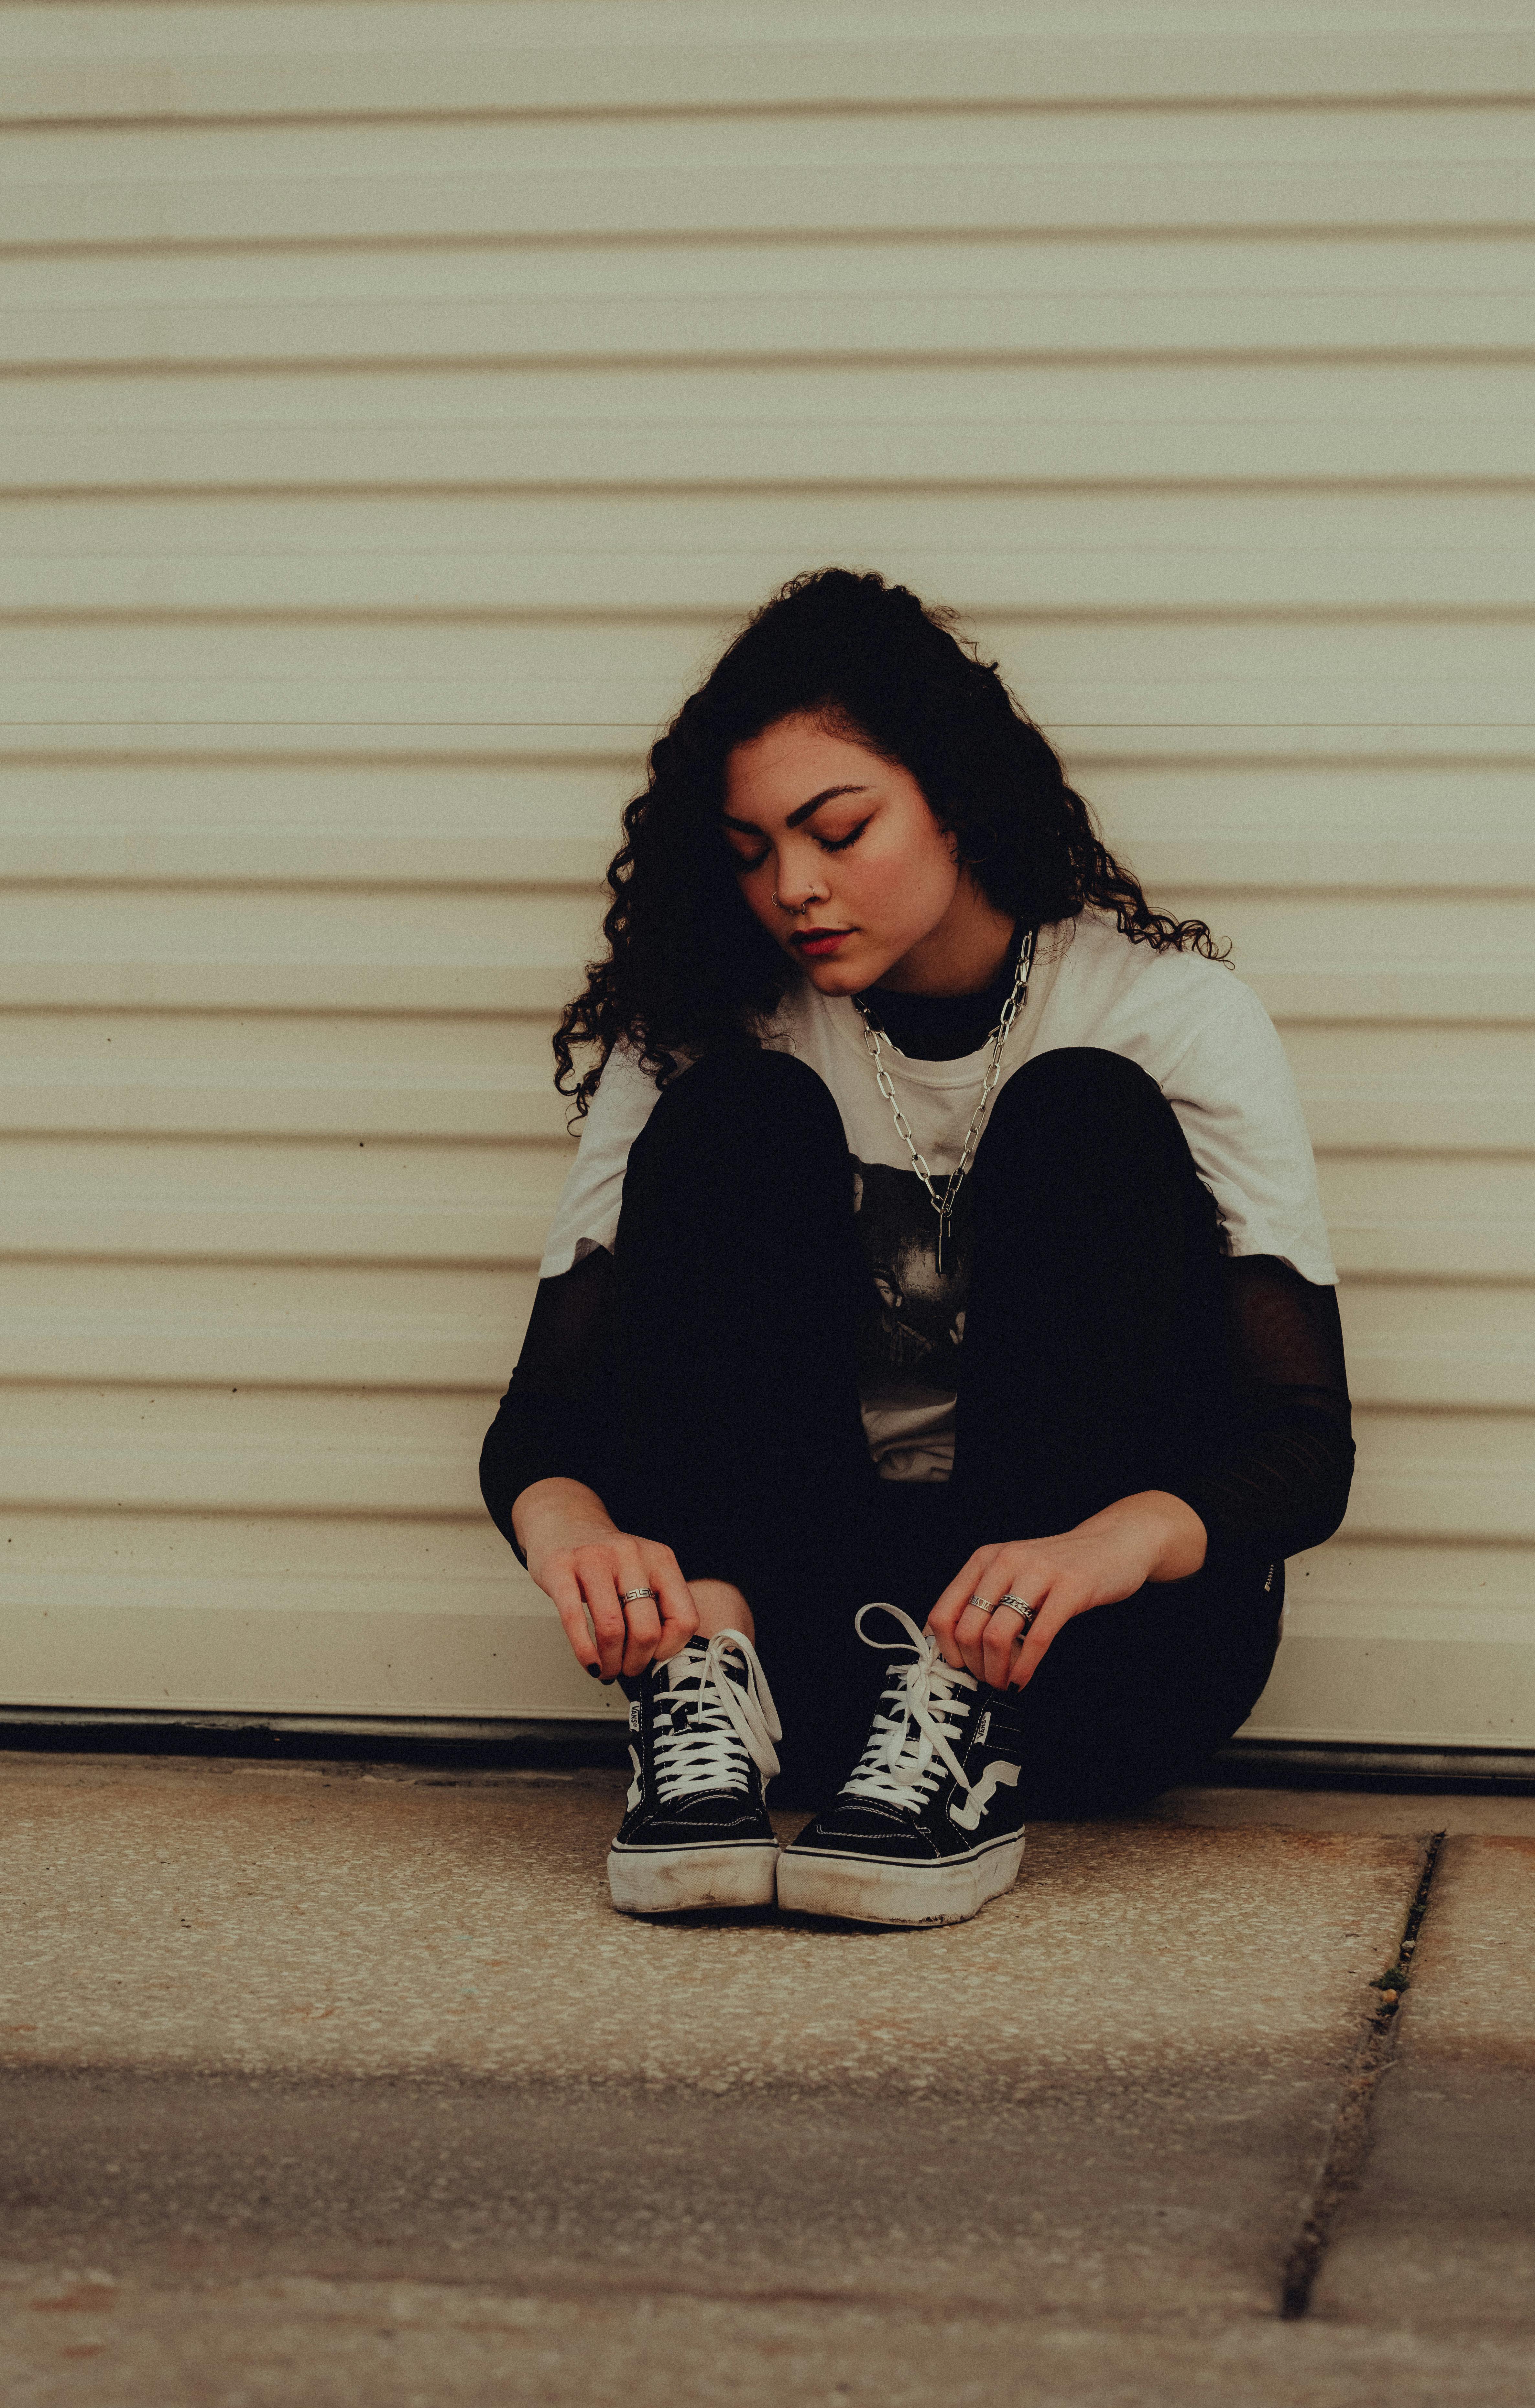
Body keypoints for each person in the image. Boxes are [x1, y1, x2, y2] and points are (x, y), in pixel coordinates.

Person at [481, 570, 1353, 1928]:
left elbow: (1306, 1447)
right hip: (814, 1673)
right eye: (753, 851)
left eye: (837, 830)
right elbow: (540, 1421)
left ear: (953, 795)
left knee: (1081, 1107)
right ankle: (714, 1702)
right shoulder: (720, 1022)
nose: (796, 888)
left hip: (1094, 1653)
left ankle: (970, 1729)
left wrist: (1114, 1545)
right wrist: (575, 1532)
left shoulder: (1166, 1014)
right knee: (741, 1110)